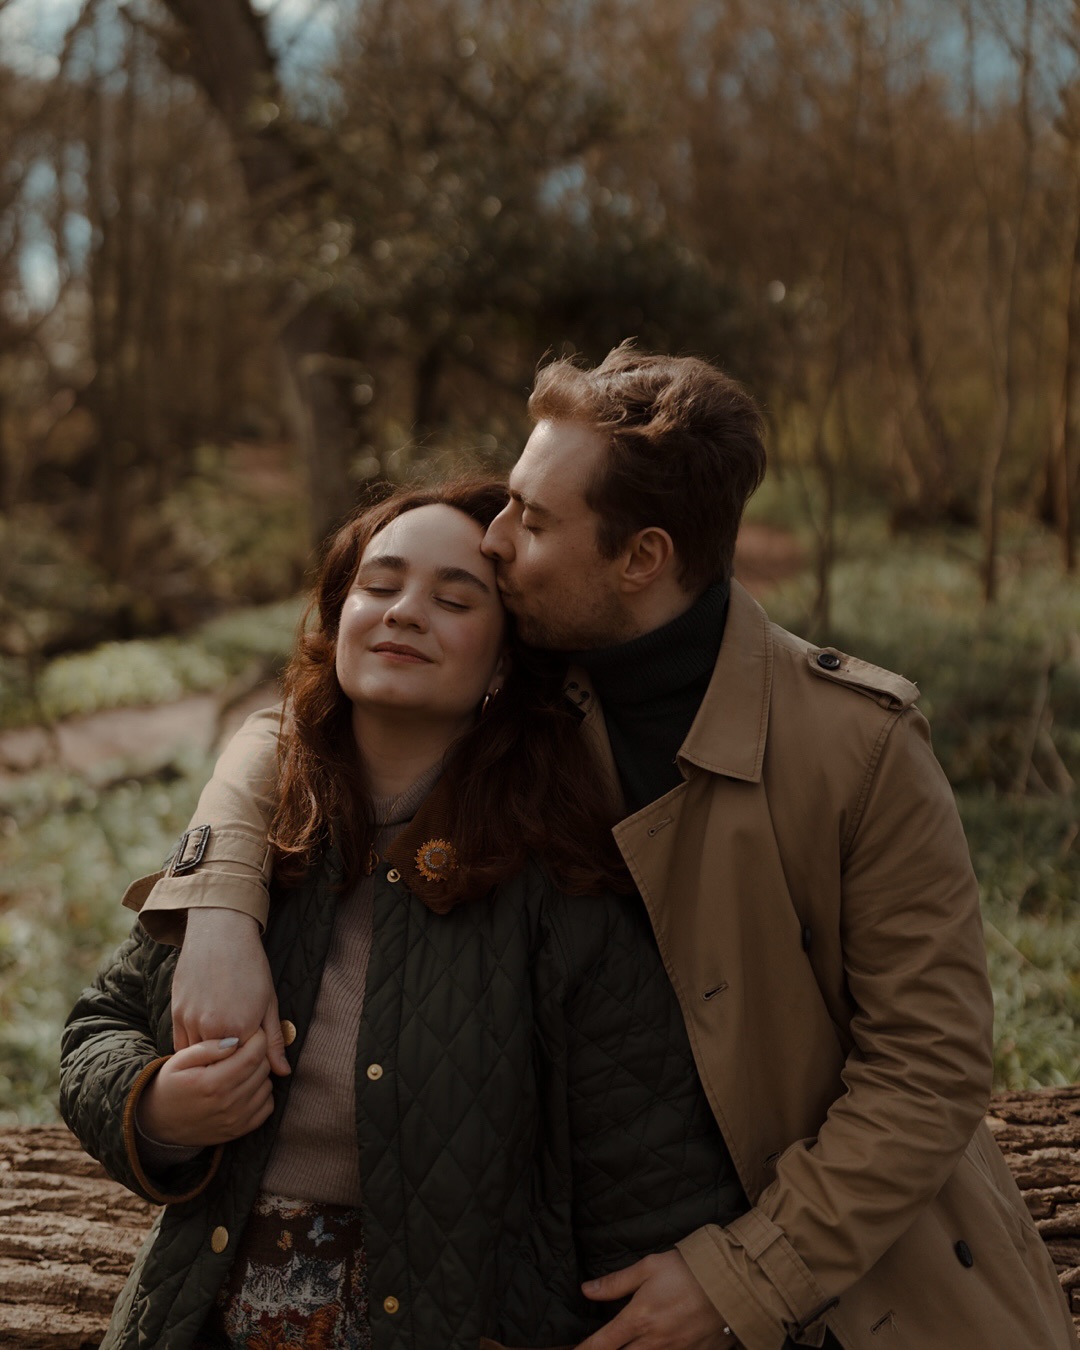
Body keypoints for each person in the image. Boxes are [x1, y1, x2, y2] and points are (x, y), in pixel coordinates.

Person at [124, 344, 1076, 1350]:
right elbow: (316, 720)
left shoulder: (859, 746)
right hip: (598, 1250)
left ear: (641, 559)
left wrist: (741, 1278)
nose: (493, 541)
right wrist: (222, 905)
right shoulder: (525, 682)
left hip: (866, 1275)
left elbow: (930, 1068)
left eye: (532, 520)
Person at [60, 480, 751, 1349]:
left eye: (454, 599)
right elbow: (99, 1029)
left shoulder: (561, 886)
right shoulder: (259, 837)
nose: (406, 613)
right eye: (379, 587)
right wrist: (154, 1110)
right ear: (340, 618)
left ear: (503, 663)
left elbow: (646, 1169)